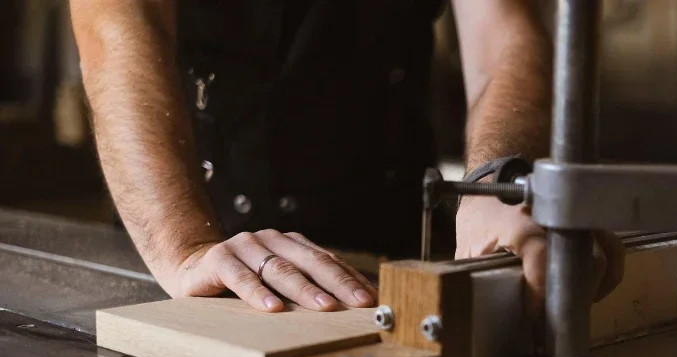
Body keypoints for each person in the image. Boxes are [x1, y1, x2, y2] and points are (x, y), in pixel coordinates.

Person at [71, 1, 621, 314]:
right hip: (190, 248)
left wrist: (498, 182)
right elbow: (117, 24)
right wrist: (182, 244)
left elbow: (503, 34)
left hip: (391, 251)